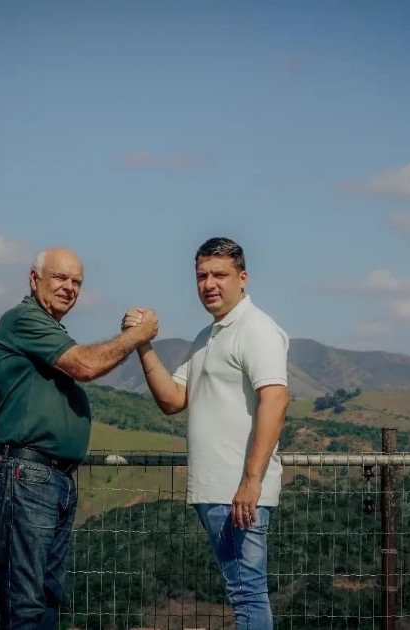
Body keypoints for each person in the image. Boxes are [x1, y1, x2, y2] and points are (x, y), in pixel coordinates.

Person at [123, 236, 289, 630]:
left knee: (247, 593)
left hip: (237, 493)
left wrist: (250, 482)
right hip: (217, 490)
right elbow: (173, 398)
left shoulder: (256, 329)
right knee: (242, 592)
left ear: (243, 278)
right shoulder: (209, 336)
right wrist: (141, 345)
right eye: (201, 275)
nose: (209, 284)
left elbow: (276, 400)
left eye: (219, 274)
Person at [0, 246, 158, 629]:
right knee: (26, 603)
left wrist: (130, 338)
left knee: (46, 599)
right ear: (34, 280)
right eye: (60, 278)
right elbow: (86, 364)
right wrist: (136, 335)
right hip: (29, 475)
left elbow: (89, 361)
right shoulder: (23, 319)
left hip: (52, 479)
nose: (69, 287)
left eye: (76, 281)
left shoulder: (51, 331)